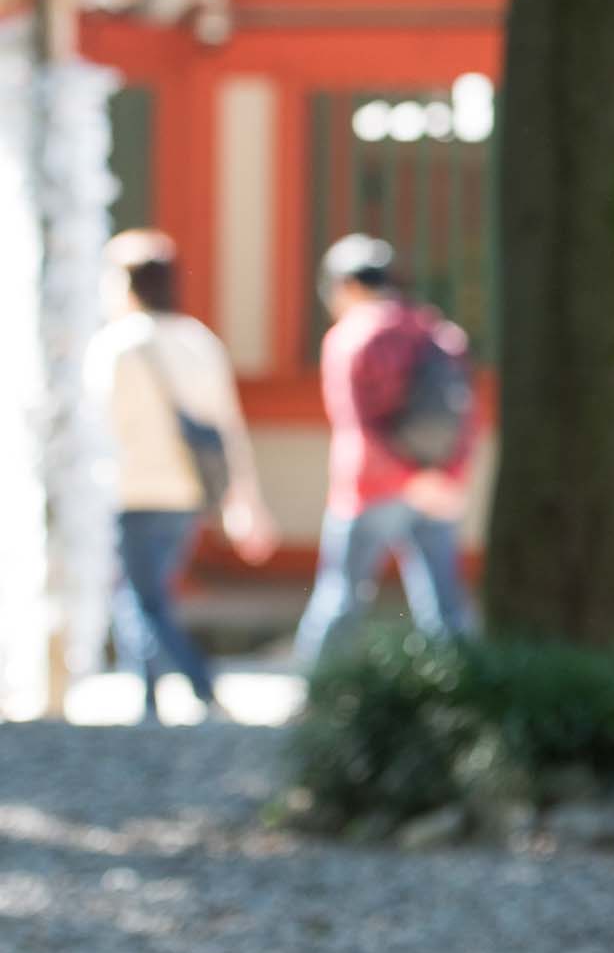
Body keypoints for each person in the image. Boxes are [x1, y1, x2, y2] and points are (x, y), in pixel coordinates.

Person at [86, 229, 277, 720]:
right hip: (189, 493)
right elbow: (227, 426)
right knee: (149, 596)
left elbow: (96, 428)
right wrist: (244, 499)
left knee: (142, 601)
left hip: (134, 490)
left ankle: (198, 686)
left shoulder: (117, 345)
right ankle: (148, 700)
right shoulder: (199, 340)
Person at [294, 234, 475, 667]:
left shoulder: (350, 337)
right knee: (444, 605)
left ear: (347, 285)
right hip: (434, 487)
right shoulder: (432, 329)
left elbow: (358, 423)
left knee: (341, 596)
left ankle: (315, 690)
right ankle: (459, 692)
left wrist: (404, 477)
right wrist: (444, 476)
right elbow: (465, 408)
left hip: (370, 488)